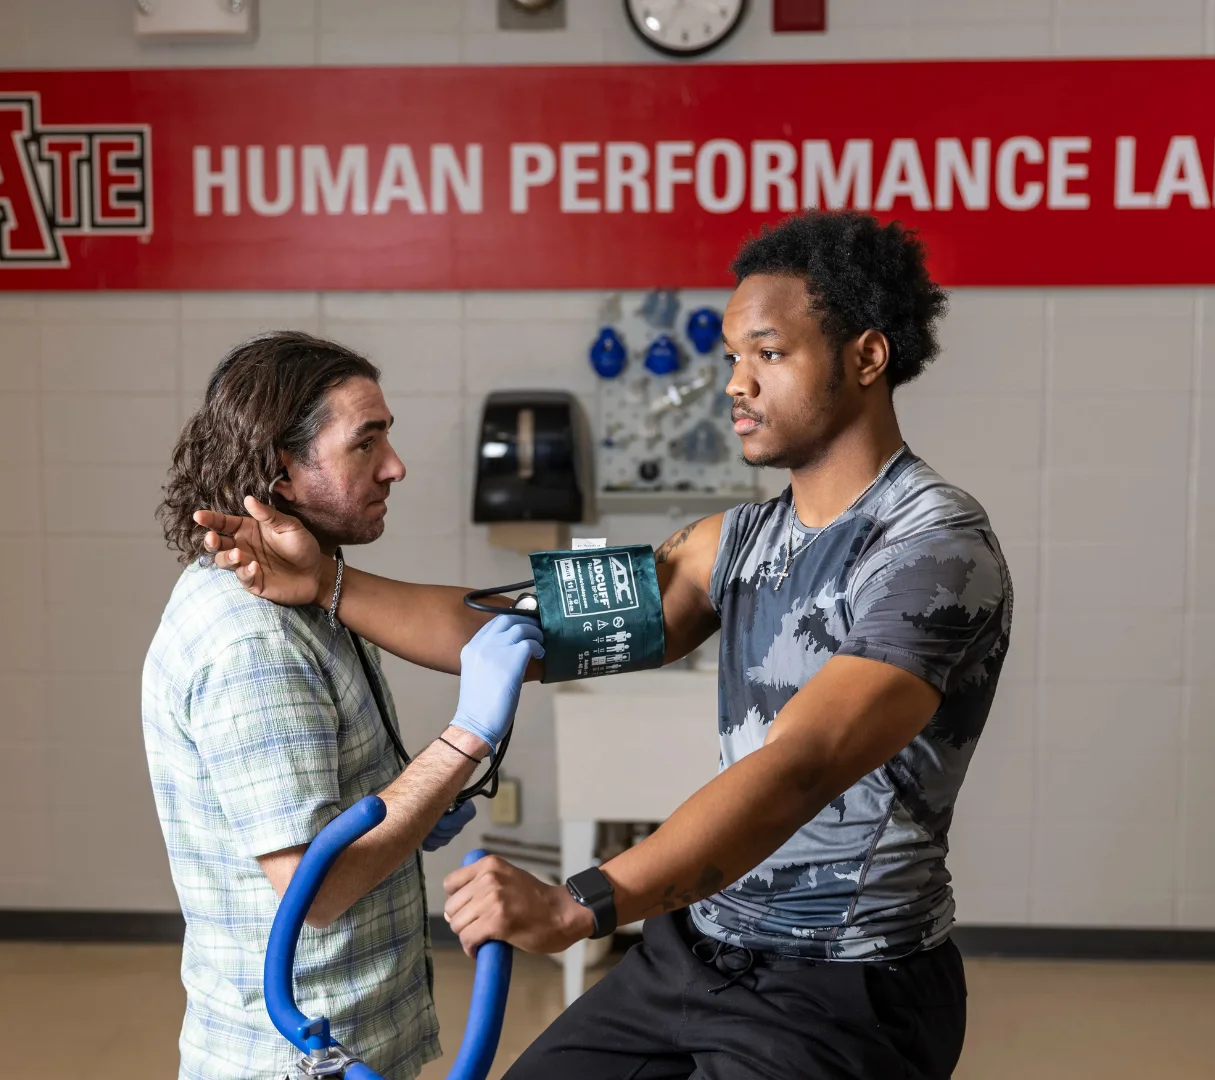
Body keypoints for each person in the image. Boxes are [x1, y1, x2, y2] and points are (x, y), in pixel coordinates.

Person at [200, 210, 1011, 1079]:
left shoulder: (933, 546)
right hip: (697, 946)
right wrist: (327, 585)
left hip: (846, 982)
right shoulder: (732, 543)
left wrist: (580, 904)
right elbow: (516, 629)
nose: (735, 384)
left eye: (769, 355)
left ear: (866, 357)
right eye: (732, 356)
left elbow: (801, 764)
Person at [142, 331, 543, 1080]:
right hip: (297, 1057)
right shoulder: (253, 642)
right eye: (366, 444)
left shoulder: (309, 594)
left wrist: (410, 809)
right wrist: (462, 743)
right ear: (284, 472)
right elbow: (313, 890)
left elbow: (322, 812)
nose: (395, 466)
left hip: (355, 1038)